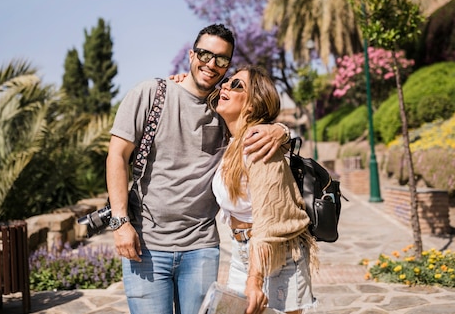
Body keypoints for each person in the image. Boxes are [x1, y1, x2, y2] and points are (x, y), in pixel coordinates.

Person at [105, 24, 289, 314]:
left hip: (201, 247)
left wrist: (281, 129)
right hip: (146, 245)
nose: (211, 64)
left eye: (222, 60)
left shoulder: (222, 108)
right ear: (191, 54)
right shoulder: (150, 94)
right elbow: (116, 154)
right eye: (205, 54)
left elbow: (255, 120)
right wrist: (120, 222)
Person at [211, 65, 318, 314]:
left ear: (252, 104)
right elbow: (198, 93)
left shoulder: (257, 146)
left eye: (236, 85)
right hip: (242, 253)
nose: (224, 86)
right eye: (226, 81)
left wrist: (255, 280)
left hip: (276, 253)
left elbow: (268, 220)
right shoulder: (234, 143)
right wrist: (182, 81)